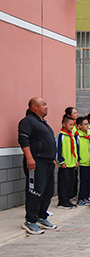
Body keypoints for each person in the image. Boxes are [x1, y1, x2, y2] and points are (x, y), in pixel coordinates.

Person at [18, 98, 57, 234]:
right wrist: (29, 157)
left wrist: (52, 159)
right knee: (35, 191)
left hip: (47, 162)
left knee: (48, 191)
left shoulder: (42, 122)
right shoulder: (27, 121)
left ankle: (41, 217)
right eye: (43, 104)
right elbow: (23, 139)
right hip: (36, 162)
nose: (46, 106)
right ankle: (30, 221)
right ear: (34, 107)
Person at [55, 115, 78, 209]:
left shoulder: (72, 136)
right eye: (70, 125)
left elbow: (75, 149)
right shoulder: (60, 136)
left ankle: (68, 200)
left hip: (72, 163)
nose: (72, 127)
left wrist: (76, 160)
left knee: (71, 183)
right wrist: (60, 161)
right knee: (64, 183)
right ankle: (62, 202)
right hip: (64, 164)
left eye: (73, 125)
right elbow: (57, 149)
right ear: (64, 124)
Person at [75, 117, 90, 206]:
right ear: (79, 125)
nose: (87, 126)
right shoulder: (77, 136)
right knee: (82, 181)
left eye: (88, 124)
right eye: (85, 124)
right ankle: (80, 198)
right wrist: (77, 160)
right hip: (82, 162)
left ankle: (86, 197)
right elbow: (75, 149)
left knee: (89, 181)